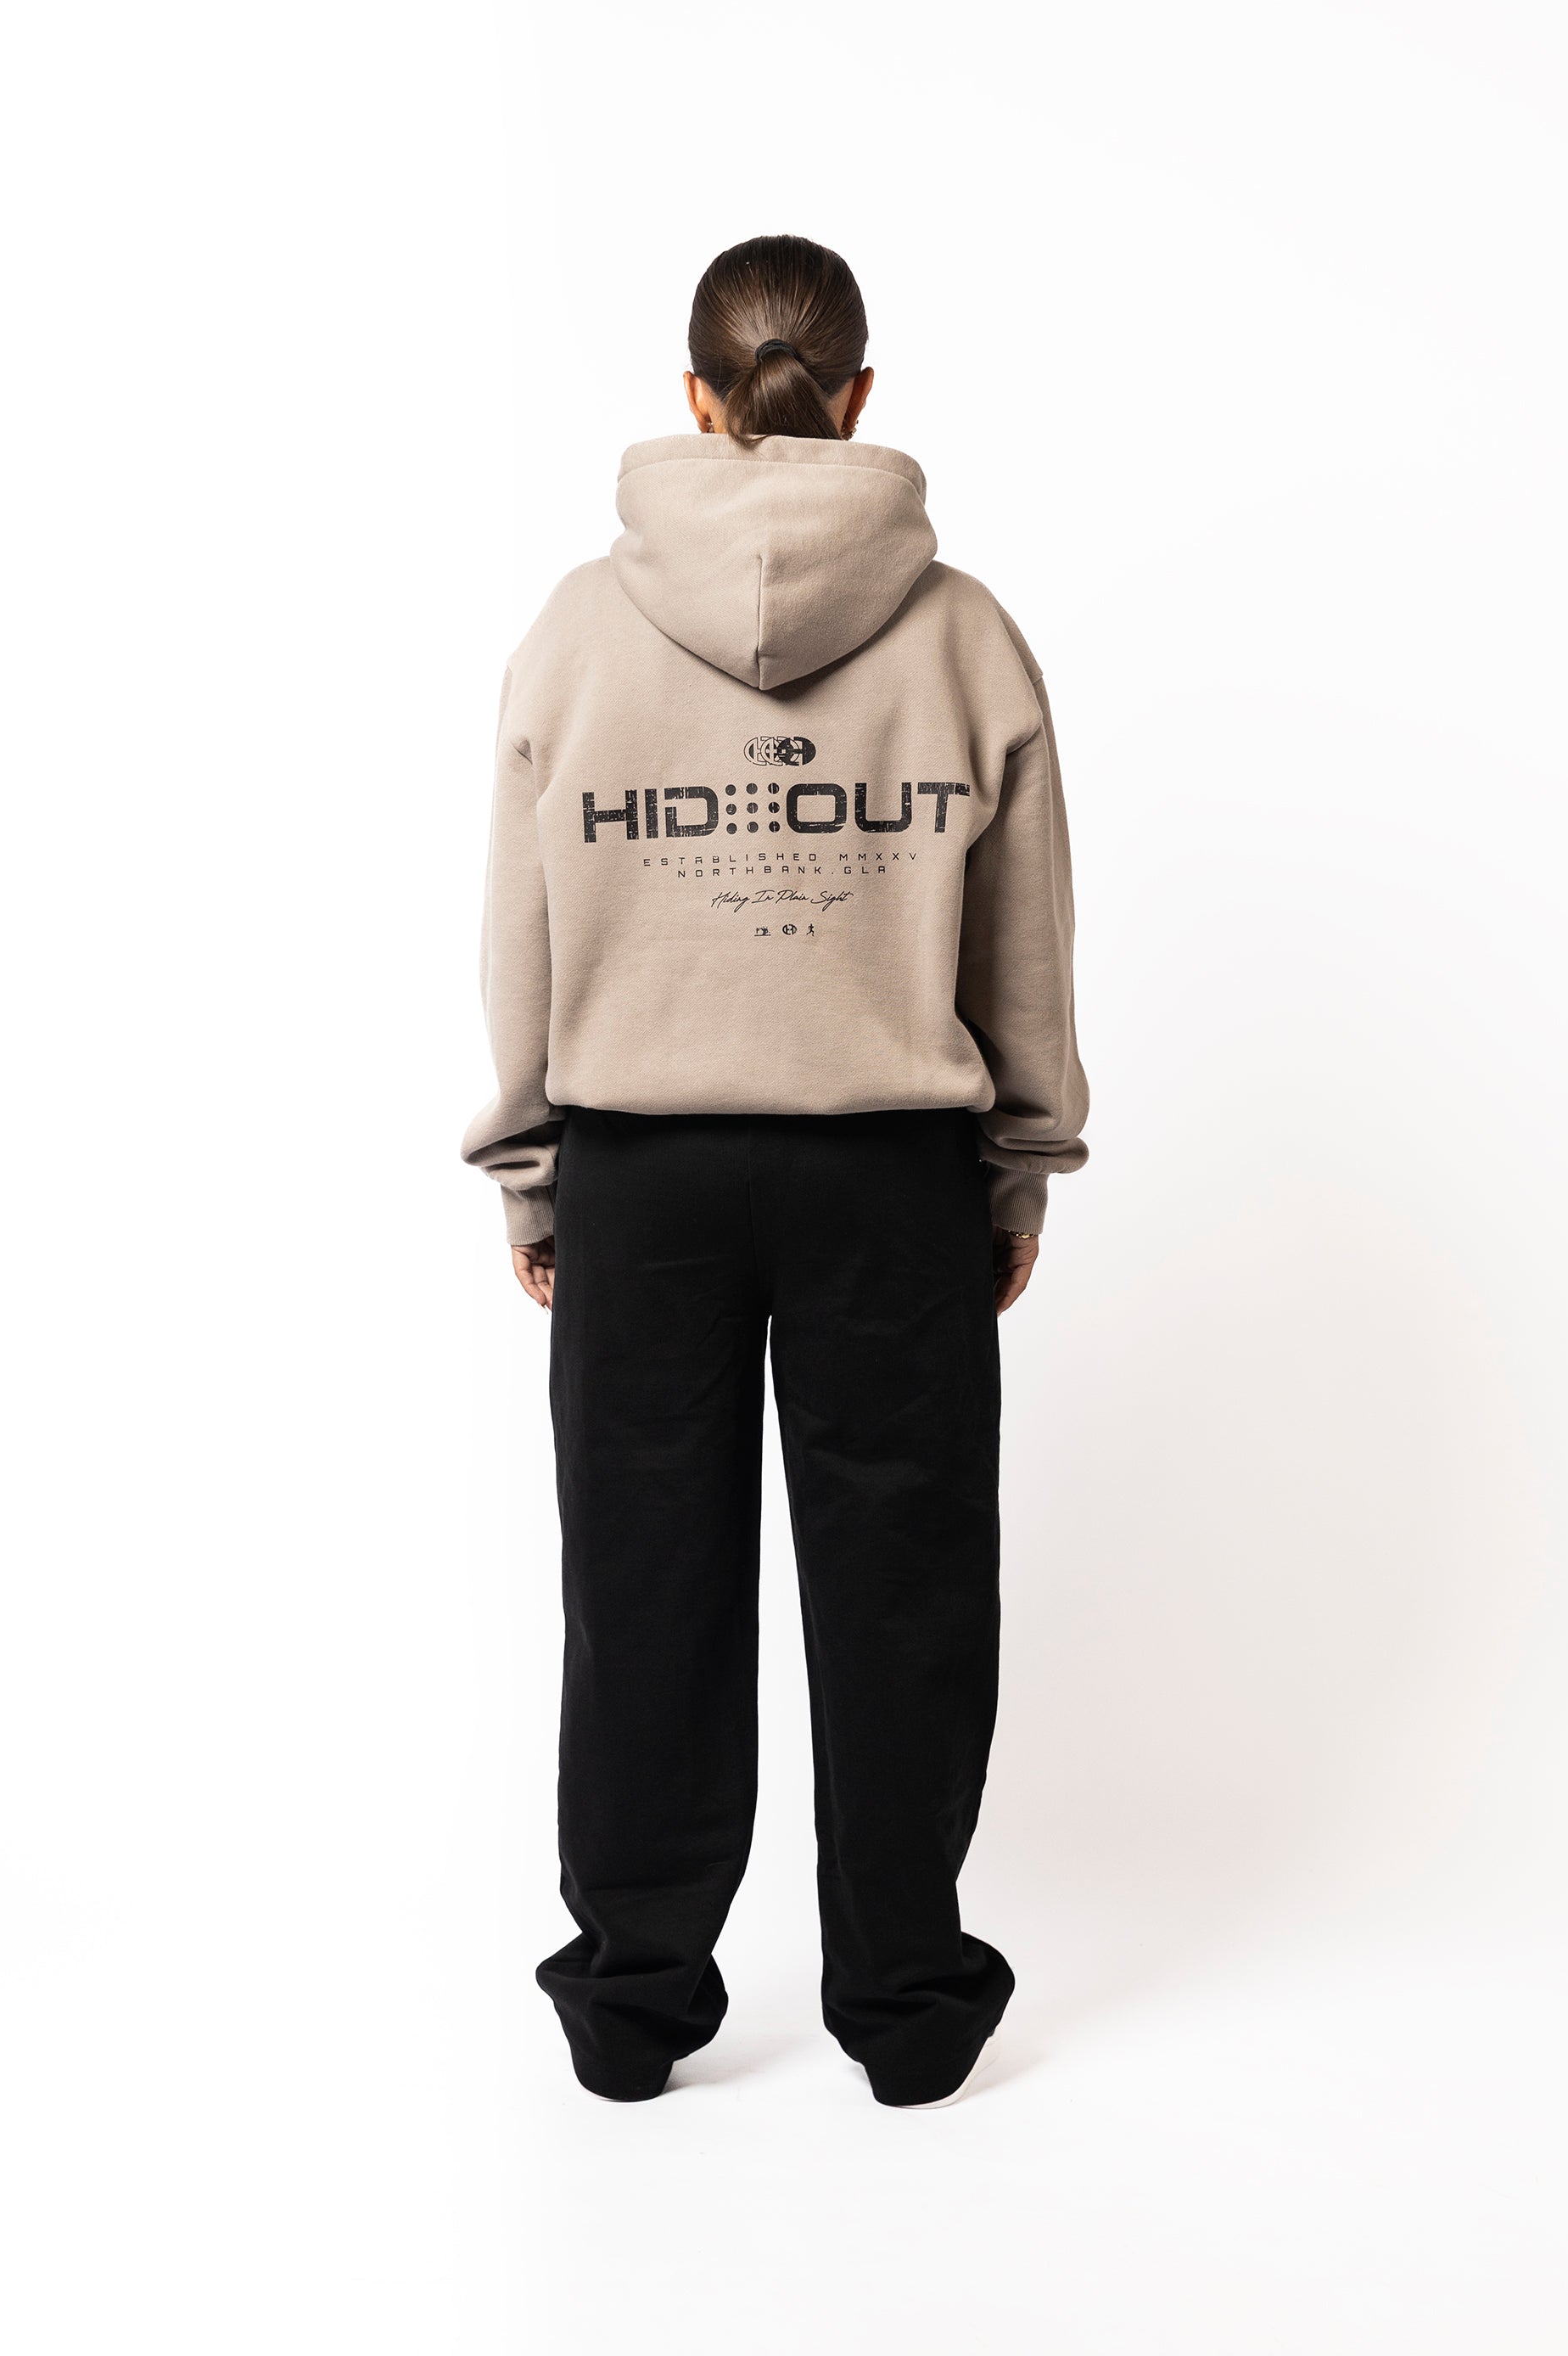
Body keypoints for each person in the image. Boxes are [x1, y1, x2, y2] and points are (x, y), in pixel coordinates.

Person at [462, 233, 1088, 2107]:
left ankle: (629, 2005)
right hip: (888, 1172)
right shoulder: (962, 632)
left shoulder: (578, 630)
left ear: (695, 394)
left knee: (641, 1587)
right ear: (858, 393)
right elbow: (1025, 934)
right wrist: (1016, 1165)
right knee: (906, 1589)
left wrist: (531, 1170)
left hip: (641, 1174)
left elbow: (523, 925)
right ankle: (905, 2005)